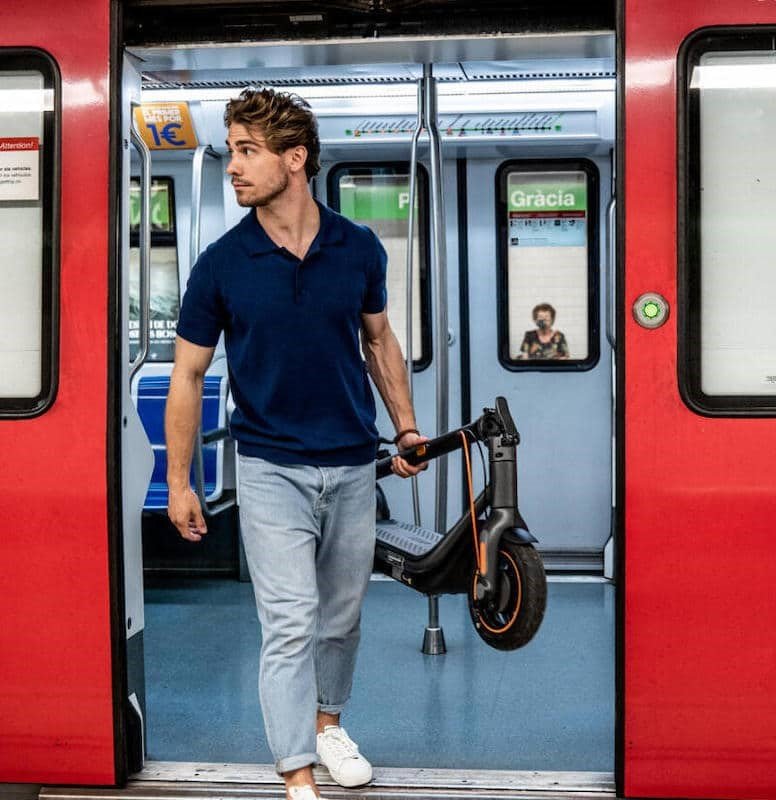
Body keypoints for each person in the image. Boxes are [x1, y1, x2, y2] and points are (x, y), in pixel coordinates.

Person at [164, 88, 425, 800]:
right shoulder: (223, 263)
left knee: (341, 617)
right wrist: (182, 480)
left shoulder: (358, 248)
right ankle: (296, 776)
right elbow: (189, 374)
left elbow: (379, 340)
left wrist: (403, 424)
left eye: (248, 151)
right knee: (289, 622)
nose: (235, 167)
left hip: (350, 458)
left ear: (295, 159)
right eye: (233, 151)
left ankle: (327, 725)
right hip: (270, 462)